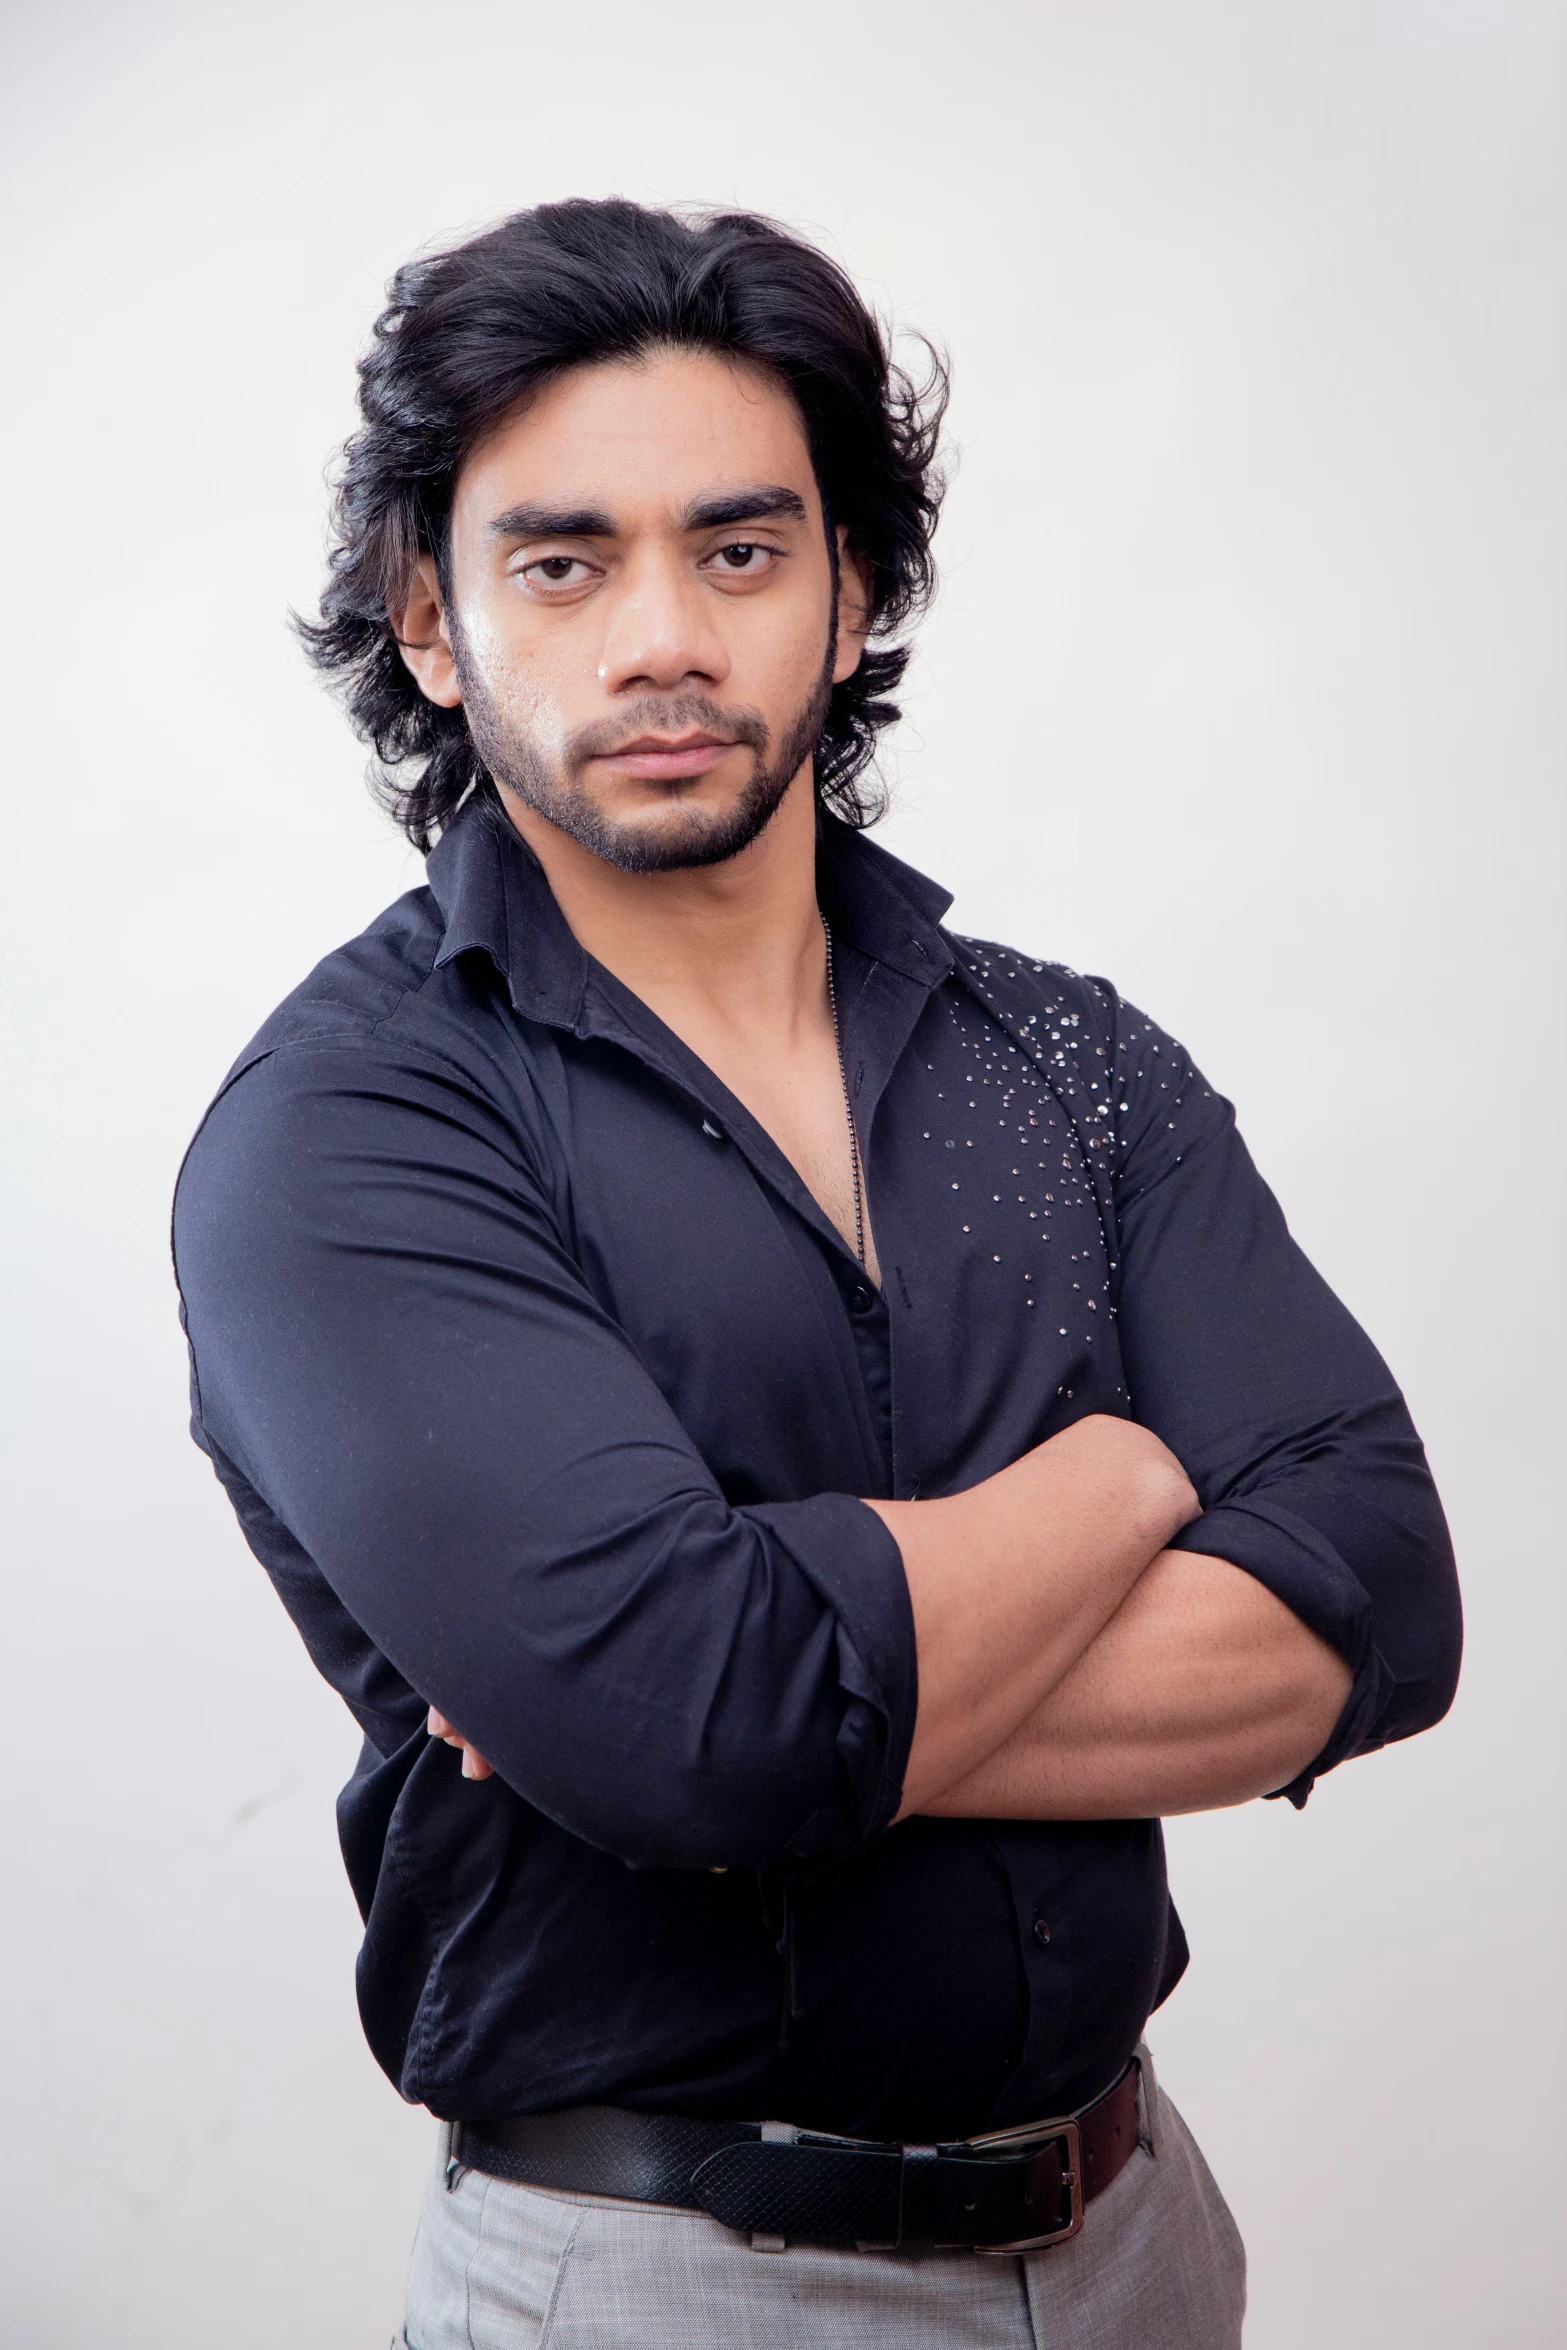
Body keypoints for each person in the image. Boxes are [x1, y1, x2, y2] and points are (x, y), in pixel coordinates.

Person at [172, 200, 1461, 2349]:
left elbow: (1383, 1594)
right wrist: (1129, 1471)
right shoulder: (352, 1128)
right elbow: (691, 1725)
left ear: (851, 590)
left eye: (743, 549)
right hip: (669, 2279)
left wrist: (721, 1686)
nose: (661, 633)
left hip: (1141, 2233)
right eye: (561, 558)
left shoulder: (1066, 1056)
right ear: (430, 615)